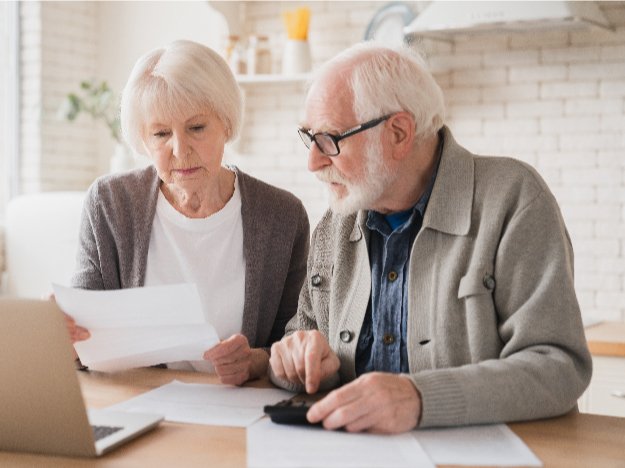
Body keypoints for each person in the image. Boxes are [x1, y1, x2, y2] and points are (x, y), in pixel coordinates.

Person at [268, 42, 592, 433]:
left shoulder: (514, 199)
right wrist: (297, 361)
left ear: (399, 133)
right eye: (310, 137)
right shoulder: (336, 222)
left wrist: (420, 398)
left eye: (330, 139)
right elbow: (299, 339)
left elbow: (559, 367)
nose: (313, 162)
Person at [65, 40, 309, 386]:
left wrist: (254, 361)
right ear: (143, 140)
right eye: (161, 134)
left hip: (237, 407)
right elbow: (82, 342)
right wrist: (64, 334)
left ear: (226, 123)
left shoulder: (283, 216)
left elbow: (296, 340)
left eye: (196, 128)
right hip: (136, 403)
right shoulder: (108, 205)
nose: (180, 150)